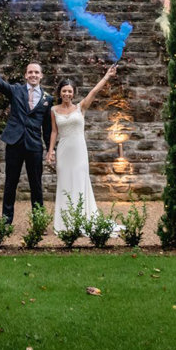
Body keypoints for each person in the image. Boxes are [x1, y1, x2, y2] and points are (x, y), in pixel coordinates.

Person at [0, 47, 53, 224]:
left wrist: (50, 150)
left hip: (34, 146)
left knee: (36, 185)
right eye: (30, 72)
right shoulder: (15, 90)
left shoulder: (48, 99)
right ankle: (6, 222)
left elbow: (47, 127)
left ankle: (38, 221)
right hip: (14, 142)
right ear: (25, 75)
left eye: (36, 72)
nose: (33, 75)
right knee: (10, 183)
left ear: (41, 76)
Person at [46, 65, 117, 233]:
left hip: (79, 151)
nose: (67, 94)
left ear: (73, 93)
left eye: (69, 91)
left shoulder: (81, 107)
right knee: (64, 183)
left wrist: (107, 76)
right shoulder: (53, 110)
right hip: (63, 150)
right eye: (64, 91)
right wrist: (50, 151)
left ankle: (82, 220)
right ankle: (65, 223)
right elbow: (54, 131)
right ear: (59, 92)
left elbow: (94, 92)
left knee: (79, 180)